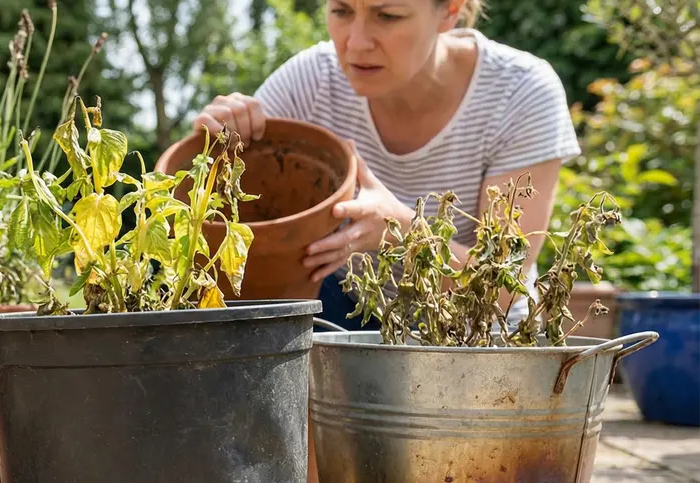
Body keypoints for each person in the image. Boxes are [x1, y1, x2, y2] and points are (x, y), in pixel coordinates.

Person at [192, 0, 580, 329]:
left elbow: (503, 285)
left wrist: (401, 231)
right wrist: (218, 138)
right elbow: (217, 204)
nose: (356, 43)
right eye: (341, 11)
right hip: (346, 313)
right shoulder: (313, 80)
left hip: (471, 334)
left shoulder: (519, 92)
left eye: (387, 16)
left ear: (450, 11)